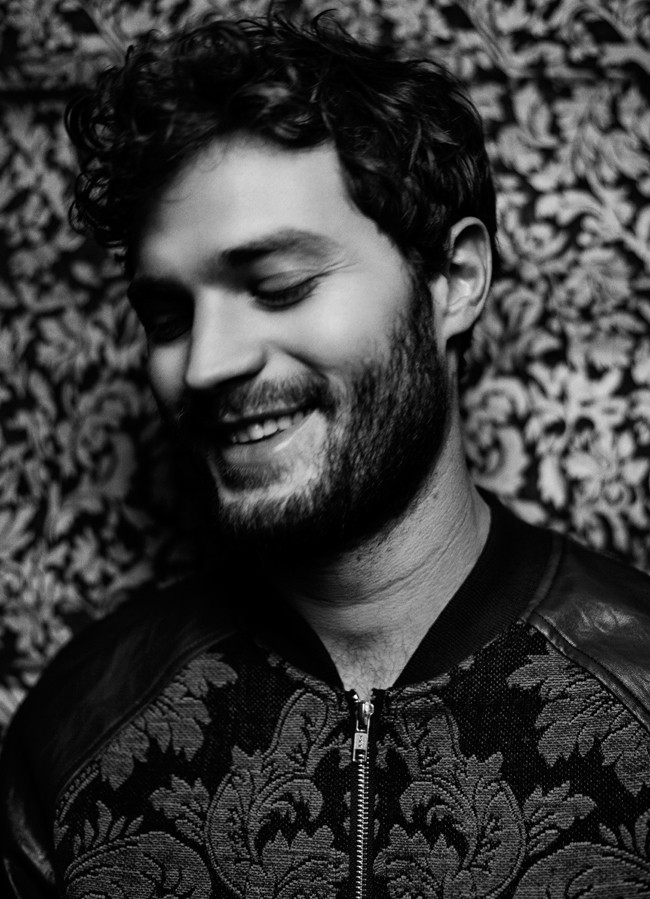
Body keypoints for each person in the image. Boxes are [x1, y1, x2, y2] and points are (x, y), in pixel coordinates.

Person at [1, 13, 650, 898]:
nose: (206, 363)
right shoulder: (75, 734)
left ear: (455, 279)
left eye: (279, 286)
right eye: (167, 315)